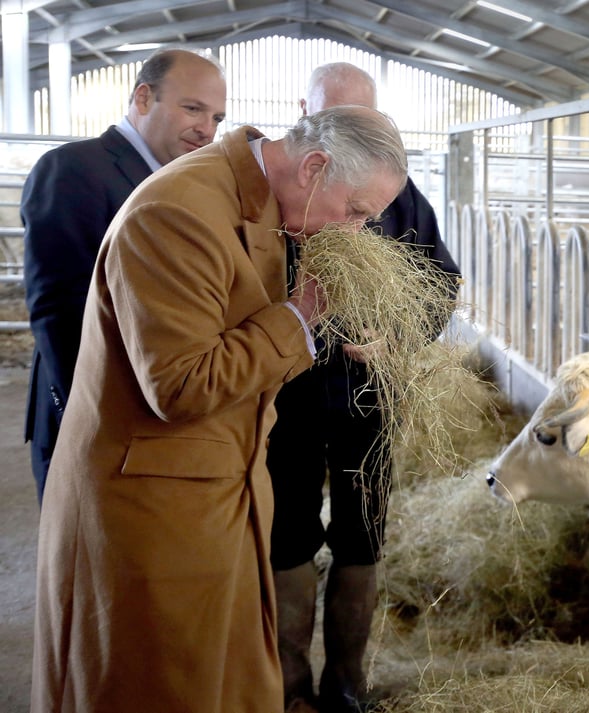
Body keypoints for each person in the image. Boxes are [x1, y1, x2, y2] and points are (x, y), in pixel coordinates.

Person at [31, 106, 409, 713]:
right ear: (313, 167)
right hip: (150, 503)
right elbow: (179, 384)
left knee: (217, 681)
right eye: (358, 211)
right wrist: (299, 319)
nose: (357, 231)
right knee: (153, 684)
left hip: (214, 491)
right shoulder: (177, 213)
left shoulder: (256, 204)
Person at [267, 62, 461, 713]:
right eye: (345, 118)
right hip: (284, 396)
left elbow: (440, 283)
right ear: (308, 114)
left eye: (372, 119)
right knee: (284, 532)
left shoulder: (397, 193)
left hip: (366, 394)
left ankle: (345, 678)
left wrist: (398, 337)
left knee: (362, 533)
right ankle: (289, 680)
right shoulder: (279, 191)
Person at [21, 47, 227, 504]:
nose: (207, 129)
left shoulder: (186, 182)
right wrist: (88, 415)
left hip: (154, 412)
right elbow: (58, 307)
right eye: (192, 108)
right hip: (94, 412)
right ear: (142, 97)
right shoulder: (75, 168)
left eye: (217, 117)